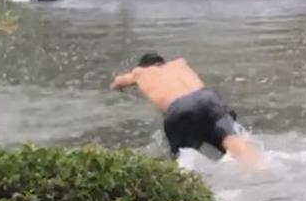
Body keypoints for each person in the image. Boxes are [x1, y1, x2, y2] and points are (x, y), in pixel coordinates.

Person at [110, 53, 263, 169]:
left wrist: (117, 86)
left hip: (180, 108)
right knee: (236, 145)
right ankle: (261, 170)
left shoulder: (140, 72)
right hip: (209, 99)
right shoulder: (179, 63)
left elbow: (118, 82)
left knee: (182, 164)